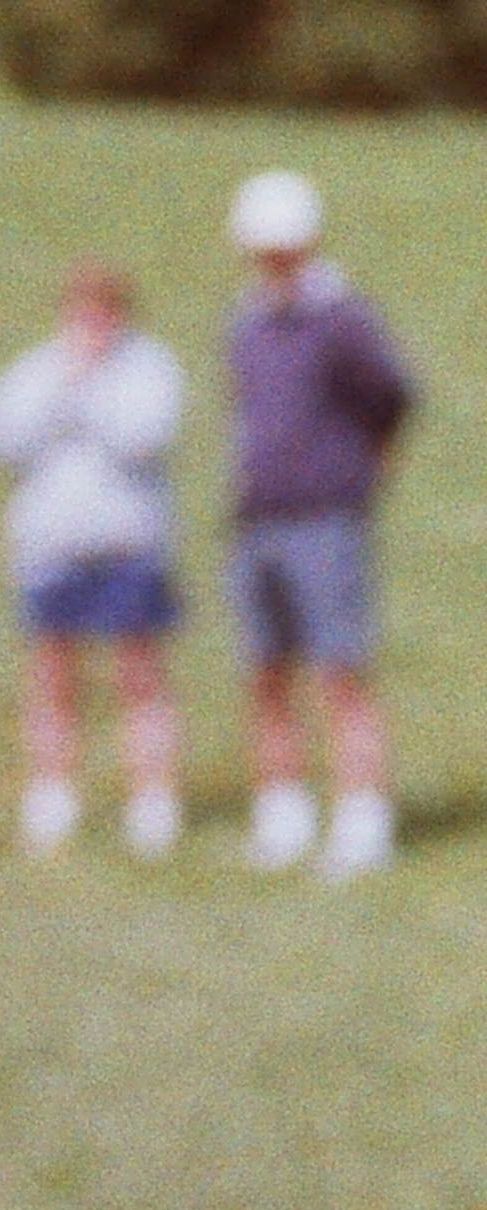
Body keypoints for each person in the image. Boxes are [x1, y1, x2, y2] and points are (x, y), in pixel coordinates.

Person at [220, 171, 417, 882]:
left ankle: (363, 819)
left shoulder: (340, 319)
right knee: (266, 670)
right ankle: (284, 813)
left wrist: (361, 465)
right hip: (259, 517)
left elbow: (390, 394)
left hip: (325, 517)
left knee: (340, 671)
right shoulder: (246, 322)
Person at [0, 264, 187, 862]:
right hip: (53, 546)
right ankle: (52, 796)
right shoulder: (36, 369)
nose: (94, 324)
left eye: (105, 312)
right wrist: (63, 385)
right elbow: (2, 438)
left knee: (139, 674)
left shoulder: (149, 369)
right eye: (83, 311)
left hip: (127, 545)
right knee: (53, 675)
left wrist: (90, 390)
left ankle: (152, 801)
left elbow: (143, 437)